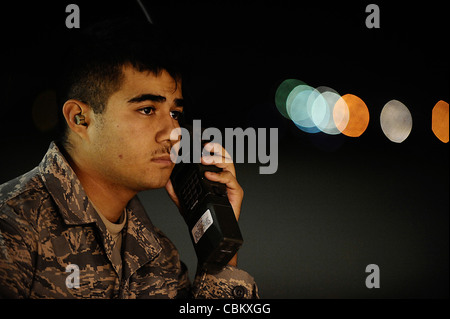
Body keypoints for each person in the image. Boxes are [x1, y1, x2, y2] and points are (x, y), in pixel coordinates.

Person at [0, 18, 258, 299]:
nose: (173, 133)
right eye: (147, 110)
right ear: (80, 118)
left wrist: (219, 245)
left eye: (175, 113)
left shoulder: (159, 257)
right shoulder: (13, 228)